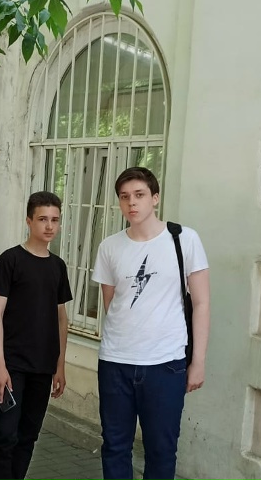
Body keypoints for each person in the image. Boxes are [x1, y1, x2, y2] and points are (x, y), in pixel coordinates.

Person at [91, 167, 211, 480]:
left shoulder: (184, 239)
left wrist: (197, 362)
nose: (132, 202)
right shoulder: (109, 247)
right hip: (115, 362)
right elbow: (111, 303)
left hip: (165, 364)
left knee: (161, 450)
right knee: (115, 446)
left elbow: (201, 303)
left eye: (139, 195)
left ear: (155, 198)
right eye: (124, 197)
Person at [0, 191, 72, 480]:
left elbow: (61, 318)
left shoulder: (58, 266)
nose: (49, 226)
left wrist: (60, 365)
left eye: (55, 220)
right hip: (12, 365)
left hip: (43, 367)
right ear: (29, 221)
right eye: (42, 219)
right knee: (4, 434)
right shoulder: (10, 260)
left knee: (28, 435)